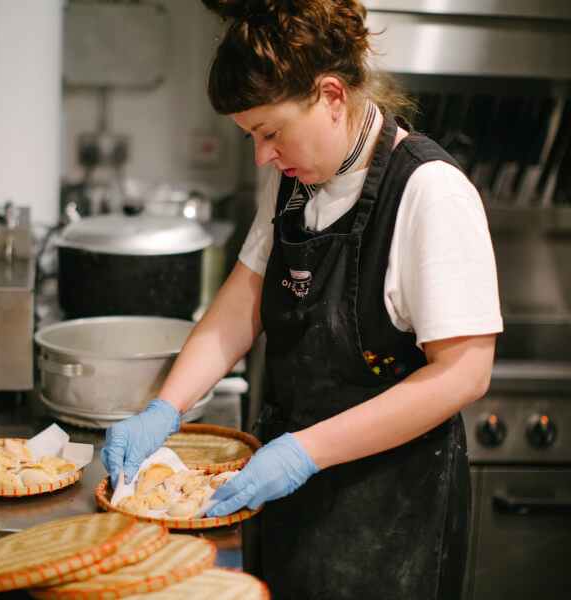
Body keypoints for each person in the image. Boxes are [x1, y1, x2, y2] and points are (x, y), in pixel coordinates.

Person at [101, 0, 503, 598]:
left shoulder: (429, 193)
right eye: (251, 137)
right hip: (292, 498)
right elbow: (245, 295)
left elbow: (465, 373)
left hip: (390, 520)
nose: (263, 155)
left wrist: (304, 452)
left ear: (332, 95)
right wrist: (168, 407)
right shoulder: (294, 181)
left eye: (270, 132)